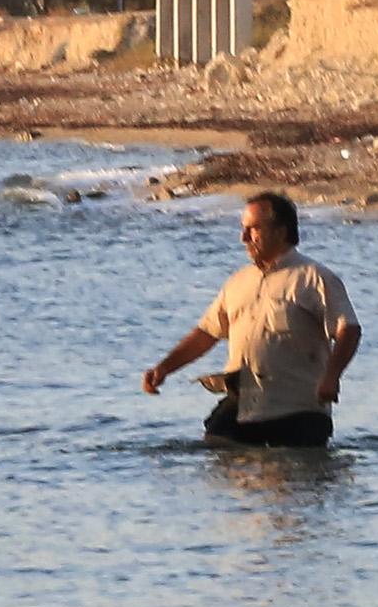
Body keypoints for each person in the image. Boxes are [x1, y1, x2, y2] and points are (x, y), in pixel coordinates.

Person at [142, 190, 361, 448]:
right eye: (243, 229)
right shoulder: (238, 283)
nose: (243, 238)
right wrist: (165, 368)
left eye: (253, 229)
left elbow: (349, 329)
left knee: (294, 479)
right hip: (245, 403)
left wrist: (332, 376)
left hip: (299, 409)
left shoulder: (314, 278)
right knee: (216, 449)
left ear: (280, 232)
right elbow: (206, 334)